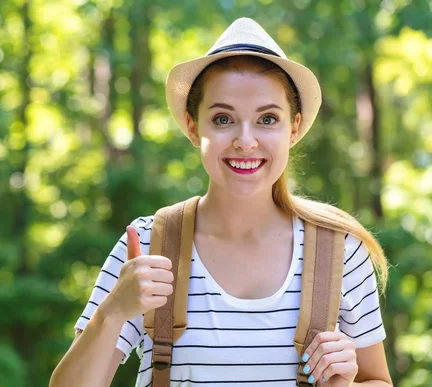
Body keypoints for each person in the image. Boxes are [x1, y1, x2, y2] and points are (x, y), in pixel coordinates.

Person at [50, 18, 393, 387]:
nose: (245, 141)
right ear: (194, 127)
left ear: (293, 129)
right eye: (223, 118)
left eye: (267, 119)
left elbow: (377, 381)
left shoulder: (340, 251)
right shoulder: (147, 245)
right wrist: (113, 312)